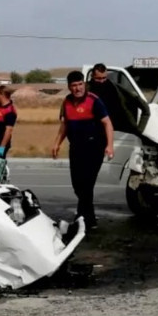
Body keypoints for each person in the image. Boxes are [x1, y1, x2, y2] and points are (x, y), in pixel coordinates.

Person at [51, 71, 114, 230]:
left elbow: (107, 123)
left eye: (80, 84)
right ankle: (87, 217)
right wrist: (57, 143)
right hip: (76, 148)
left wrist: (110, 145)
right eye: (74, 85)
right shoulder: (66, 102)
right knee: (77, 185)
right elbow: (65, 125)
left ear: (84, 84)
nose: (77, 88)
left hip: (94, 147)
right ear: (69, 87)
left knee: (87, 184)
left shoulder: (94, 101)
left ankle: (84, 218)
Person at [86, 63, 148, 136]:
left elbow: (145, 108)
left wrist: (139, 131)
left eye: (104, 78)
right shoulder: (84, 91)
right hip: (92, 133)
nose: (102, 81)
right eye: (98, 78)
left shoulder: (115, 88)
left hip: (116, 133)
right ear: (92, 76)